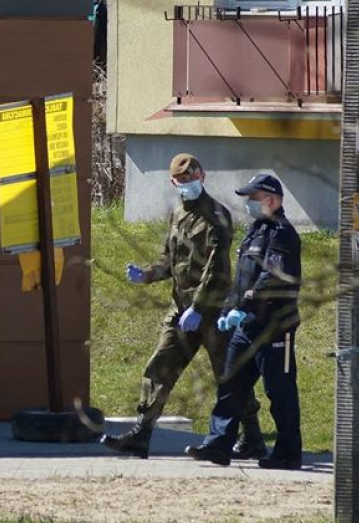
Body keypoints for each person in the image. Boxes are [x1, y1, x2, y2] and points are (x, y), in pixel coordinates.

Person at [100, 154, 266, 460]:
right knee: (159, 367)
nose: (189, 184)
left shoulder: (216, 216)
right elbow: (170, 259)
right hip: (182, 309)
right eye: (183, 181)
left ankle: (252, 437)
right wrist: (147, 274)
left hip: (213, 311)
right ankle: (141, 434)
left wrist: (200, 308)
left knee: (229, 376)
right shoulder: (178, 214)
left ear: (202, 177)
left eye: (194, 178)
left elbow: (217, 270)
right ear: (173, 183)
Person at [185, 173, 303, 470]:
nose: (248, 204)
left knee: (280, 391)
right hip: (246, 326)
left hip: (274, 325)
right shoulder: (255, 232)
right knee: (231, 386)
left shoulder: (282, 233)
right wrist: (228, 310)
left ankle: (288, 453)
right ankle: (218, 445)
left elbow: (271, 278)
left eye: (253, 198)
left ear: (272, 200)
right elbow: (242, 280)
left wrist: (246, 304)